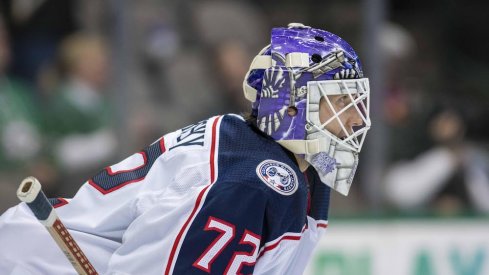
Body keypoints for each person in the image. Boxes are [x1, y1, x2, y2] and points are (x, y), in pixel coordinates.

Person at [0, 23, 371, 274]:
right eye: (339, 102)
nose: (356, 120)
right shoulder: (249, 180)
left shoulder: (285, 168)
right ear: (291, 103)